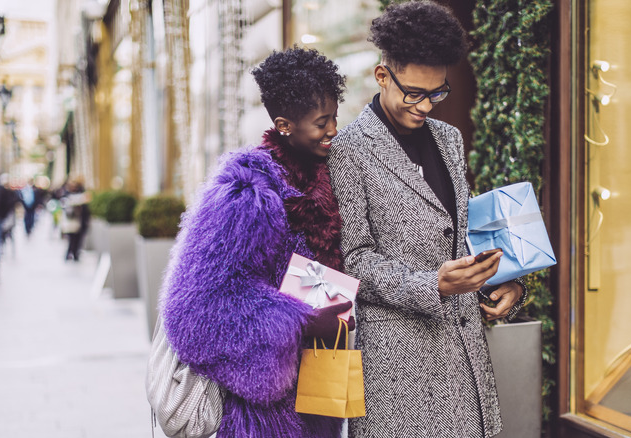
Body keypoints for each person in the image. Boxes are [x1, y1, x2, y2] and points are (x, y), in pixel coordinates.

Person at [326, 2, 527, 437]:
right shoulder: (349, 151)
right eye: (414, 92)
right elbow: (353, 259)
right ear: (383, 76)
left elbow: (461, 235)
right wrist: (430, 284)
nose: (426, 106)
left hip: (464, 353)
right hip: (398, 367)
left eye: (438, 92)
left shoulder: (448, 139)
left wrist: (504, 280)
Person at [161, 47, 351, 438]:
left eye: (335, 116)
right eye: (321, 122)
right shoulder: (247, 191)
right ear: (284, 125)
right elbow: (194, 307)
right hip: (268, 409)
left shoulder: (330, 175)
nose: (333, 129)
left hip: (327, 370)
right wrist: (296, 319)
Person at [59, 179, 89, 261]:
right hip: (71, 222)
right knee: (71, 239)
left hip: (80, 221)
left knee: (78, 239)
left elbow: (86, 210)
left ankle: (75, 254)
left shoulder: (82, 195)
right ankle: (69, 253)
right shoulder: (66, 195)